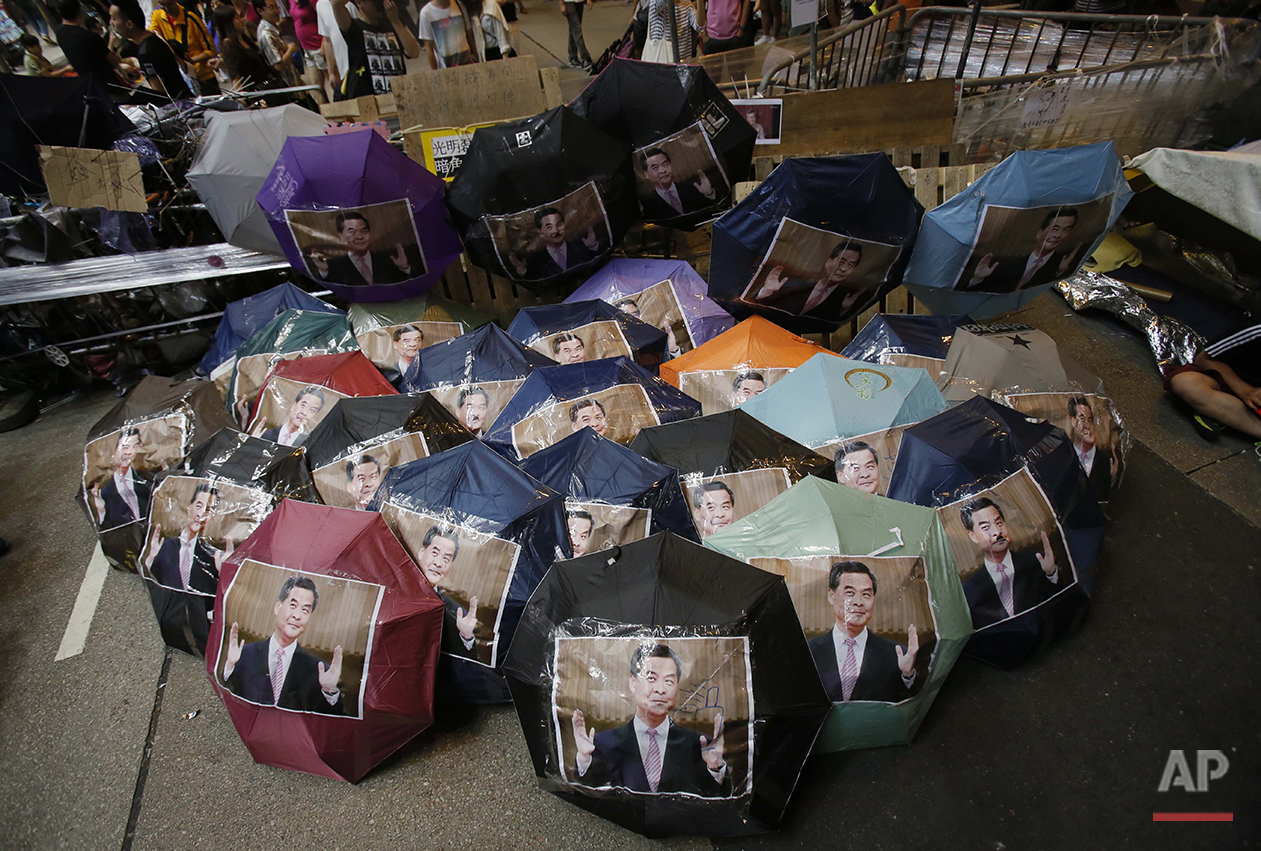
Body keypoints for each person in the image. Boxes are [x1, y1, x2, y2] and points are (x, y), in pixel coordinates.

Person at [570, 643, 729, 795]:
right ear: (633, 682)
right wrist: (584, 760)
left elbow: (720, 803)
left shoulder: (700, 747)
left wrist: (715, 767)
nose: (660, 690)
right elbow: (585, 804)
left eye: (668, 681)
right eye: (651, 678)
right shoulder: (602, 744)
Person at [223, 575, 345, 714]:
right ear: (277, 607)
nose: (297, 616)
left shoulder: (318, 670)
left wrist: (330, 691)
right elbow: (232, 696)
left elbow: (330, 722)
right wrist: (230, 666)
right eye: (293, 605)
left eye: (305, 610)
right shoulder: (245, 653)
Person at [807, 561, 919, 702]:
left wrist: (908, 675)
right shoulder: (807, 652)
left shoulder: (896, 654)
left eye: (866, 595)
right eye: (850, 593)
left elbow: (910, 708)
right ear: (831, 595)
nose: (858, 602)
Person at [959, 497, 1063, 629]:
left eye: (999, 523)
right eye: (986, 528)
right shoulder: (969, 589)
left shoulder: (1037, 562)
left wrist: (1051, 573)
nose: (997, 532)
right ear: (972, 535)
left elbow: (1061, 603)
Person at [965, 208, 1081, 293]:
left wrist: (1059, 272)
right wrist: (978, 278)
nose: (1058, 235)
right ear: (1039, 233)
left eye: (1065, 230)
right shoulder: (1007, 261)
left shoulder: (1061, 263)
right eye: (1054, 229)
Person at [144, 483, 231, 594]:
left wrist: (223, 572)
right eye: (199, 506)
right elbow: (154, 581)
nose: (201, 514)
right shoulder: (166, 546)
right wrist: (152, 559)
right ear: (189, 508)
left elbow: (211, 598)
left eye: (208, 510)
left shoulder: (210, 557)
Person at [1167, 348, 1261, 443]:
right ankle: (1220, 413)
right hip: (1229, 380)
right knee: (1186, 383)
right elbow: (1204, 359)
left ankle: (1217, 414)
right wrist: (1246, 390)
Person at [751, 241, 866, 317]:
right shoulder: (794, 284)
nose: (844, 269)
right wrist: (767, 291)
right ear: (828, 261)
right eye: (841, 262)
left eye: (851, 265)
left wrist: (844, 309)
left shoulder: (845, 298)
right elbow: (755, 309)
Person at [331, 0, 419, 98]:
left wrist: (396, 21)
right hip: (369, 100)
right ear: (359, 3)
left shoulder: (391, 25)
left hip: (398, 96)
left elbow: (413, 52)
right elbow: (336, 4)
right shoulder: (354, 28)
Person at [416, 525, 480, 660]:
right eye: (435, 553)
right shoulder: (392, 591)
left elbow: (468, 666)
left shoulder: (456, 613)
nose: (438, 563)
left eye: (446, 559)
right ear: (422, 551)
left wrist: (466, 636)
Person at [110, 0, 193, 97]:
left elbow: (160, 94)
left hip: (181, 106)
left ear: (129, 24)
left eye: (113, 18)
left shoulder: (146, 53)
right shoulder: (152, 38)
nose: (111, 23)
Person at [309, 211, 416, 286]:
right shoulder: (333, 265)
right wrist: (323, 271)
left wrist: (404, 268)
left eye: (363, 231)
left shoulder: (386, 260)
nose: (359, 237)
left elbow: (406, 286)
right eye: (352, 232)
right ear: (341, 236)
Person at [54, 0, 133, 87]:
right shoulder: (89, 36)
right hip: (107, 81)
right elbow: (112, 59)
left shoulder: (59, 33)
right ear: (79, 11)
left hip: (87, 82)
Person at [149, 0, 220, 94]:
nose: (166, 9)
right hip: (180, 79)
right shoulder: (157, 16)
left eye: (169, 4)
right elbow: (152, 36)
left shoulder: (192, 19)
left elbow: (211, 51)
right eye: (162, 5)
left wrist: (192, 60)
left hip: (203, 77)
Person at [509, 207, 601, 279]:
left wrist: (592, 246)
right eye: (549, 227)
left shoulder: (580, 246)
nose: (556, 231)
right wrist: (521, 269)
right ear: (541, 232)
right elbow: (534, 281)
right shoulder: (536, 260)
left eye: (559, 225)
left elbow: (597, 265)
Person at [89, 426, 153, 528]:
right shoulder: (103, 490)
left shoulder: (147, 479)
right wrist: (101, 511)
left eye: (134, 447)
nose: (129, 452)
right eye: (125, 447)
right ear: (113, 451)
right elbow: (107, 530)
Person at [211, 2, 283, 90]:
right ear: (228, 23)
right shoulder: (229, 45)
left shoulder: (245, 38)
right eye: (237, 18)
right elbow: (235, 76)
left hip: (270, 83)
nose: (242, 20)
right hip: (257, 91)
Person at [638, 148, 718, 221]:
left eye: (665, 165)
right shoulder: (647, 205)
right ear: (646, 174)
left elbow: (713, 212)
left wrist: (709, 194)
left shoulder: (692, 188)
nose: (663, 171)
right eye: (655, 168)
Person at [1068, 395, 1116, 502]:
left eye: (1090, 420)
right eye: (1082, 419)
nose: (1087, 425)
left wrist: (1113, 478)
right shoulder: (1063, 455)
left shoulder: (1107, 459)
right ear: (1073, 421)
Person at [417, 0, 481, 68]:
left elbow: (470, 36)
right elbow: (429, 48)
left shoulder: (459, 5)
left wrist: (477, 61)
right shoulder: (426, 13)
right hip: (446, 68)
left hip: (468, 64)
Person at [256, 385, 325, 447]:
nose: (304, 412)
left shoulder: (307, 446)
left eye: (312, 410)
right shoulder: (264, 436)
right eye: (303, 405)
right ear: (293, 406)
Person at [615, 298, 682, 358]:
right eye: (625, 317)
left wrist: (673, 350)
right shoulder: (615, 346)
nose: (631, 319)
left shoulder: (654, 340)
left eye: (634, 315)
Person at [254, 0, 301, 86]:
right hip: (285, 85)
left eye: (276, 7)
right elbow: (278, 66)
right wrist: (291, 49)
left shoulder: (273, 28)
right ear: (260, 11)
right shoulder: (266, 35)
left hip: (292, 78)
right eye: (271, 8)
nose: (277, 11)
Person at [288, 0, 327, 101]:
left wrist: (324, 43)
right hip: (307, 49)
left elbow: (324, 17)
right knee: (316, 87)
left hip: (319, 45)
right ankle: (323, 115)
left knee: (332, 83)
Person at [315, 0, 356, 96]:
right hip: (343, 69)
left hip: (357, 66)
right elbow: (327, 40)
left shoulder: (350, 4)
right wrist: (331, 73)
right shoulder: (320, 5)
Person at [560, 0, 592, 71]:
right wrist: (562, 4)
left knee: (574, 29)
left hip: (579, 2)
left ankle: (573, 57)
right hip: (568, 2)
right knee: (577, 29)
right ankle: (585, 57)